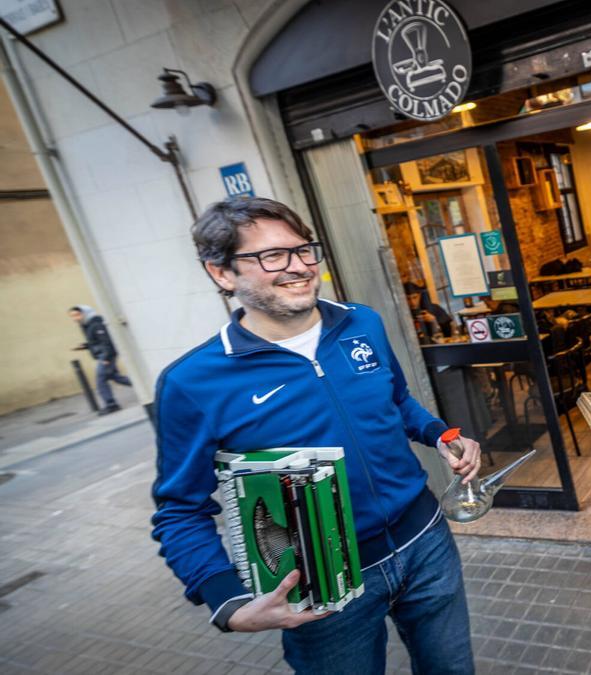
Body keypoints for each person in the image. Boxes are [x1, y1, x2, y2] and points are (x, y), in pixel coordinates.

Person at [151, 197, 481, 674]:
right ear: (222, 273)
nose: (299, 267)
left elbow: (395, 401)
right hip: (319, 581)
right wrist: (225, 599)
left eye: (305, 250)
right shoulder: (192, 382)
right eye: (271, 256)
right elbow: (180, 510)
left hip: (427, 542)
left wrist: (439, 434)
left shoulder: (361, 322)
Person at [68, 305, 132, 415]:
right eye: (72, 316)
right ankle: (145, 385)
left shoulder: (96, 324)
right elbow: (96, 341)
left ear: (85, 313)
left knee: (100, 380)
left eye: (77, 315)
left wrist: (107, 358)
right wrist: (85, 346)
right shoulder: (86, 325)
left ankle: (111, 404)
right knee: (116, 378)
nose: (75, 318)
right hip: (103, 354)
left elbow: (106, 341)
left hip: (106, 355)